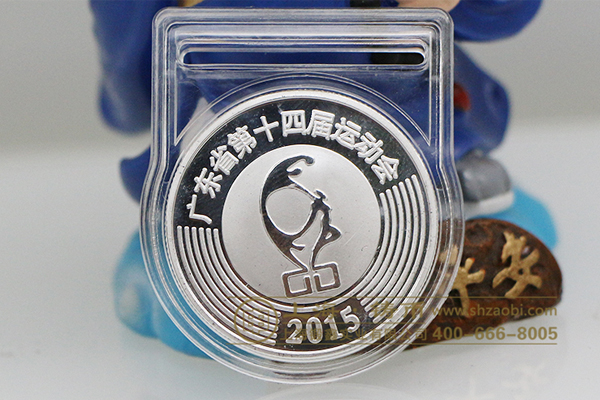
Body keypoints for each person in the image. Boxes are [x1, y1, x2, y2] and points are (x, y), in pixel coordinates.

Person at [92, 0, 556, 356]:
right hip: (234, 66)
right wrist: (134, 83)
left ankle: (436, 194)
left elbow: (495, 14)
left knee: (418, 141)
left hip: (385, 63)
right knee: (220, 175)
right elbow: (130, 38)